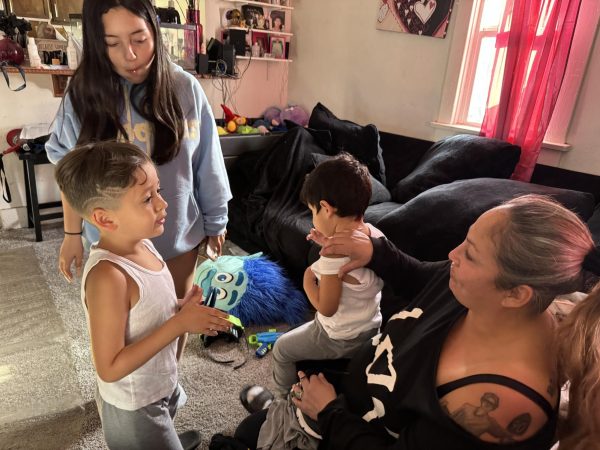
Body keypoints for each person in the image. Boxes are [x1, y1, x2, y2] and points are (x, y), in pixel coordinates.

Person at [221, 194, 600, 450]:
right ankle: (282, 412)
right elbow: (426, 277)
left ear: (516, 293)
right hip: (359, 397)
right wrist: (375, 251)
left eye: (469, 253)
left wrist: (329, 413)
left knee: (241, 436)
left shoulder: (497, 403)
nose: (452, 254)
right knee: (264, 420)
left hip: (346, 425)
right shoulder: (482, 294)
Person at [45, 0, 231, 302]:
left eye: (139, 39)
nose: (129, 55)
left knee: (175, 322)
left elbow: (208, 164)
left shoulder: (185, 89)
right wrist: (71, 234)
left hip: (178, 239)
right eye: (112, 44)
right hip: (113, 247)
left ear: (155, 32)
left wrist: (217, 224)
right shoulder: (83, 95)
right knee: (126, 335)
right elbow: (71, 176)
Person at [55, 141, 232, 450]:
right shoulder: (108, 277)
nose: (163, 204)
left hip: (159, 382)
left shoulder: (142, 243)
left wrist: (180, 308)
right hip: (135, 409)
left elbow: (146, 310)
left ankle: (166, 437)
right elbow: (109, 367)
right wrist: (179, 325)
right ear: (106, 220)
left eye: (158, 191)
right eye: (148, 198)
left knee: (167, 418)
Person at [270, 153, 384, 397]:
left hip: (339, 337)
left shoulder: (334, 257)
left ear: (326, 209)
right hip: (370, 327)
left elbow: (326, 307)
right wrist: (327, 241)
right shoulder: (375, 236)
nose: (313, 217)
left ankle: (281, 401)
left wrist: (307, 280)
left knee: (281, 348)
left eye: (313, 211)